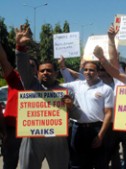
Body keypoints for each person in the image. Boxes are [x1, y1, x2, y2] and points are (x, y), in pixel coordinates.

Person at [15, 25, 81, 169]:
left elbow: (78, 116)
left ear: (56, 73)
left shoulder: (66, 92)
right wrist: (20, 47)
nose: (45, 73)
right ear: (37, 74)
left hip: (57, 140)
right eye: (42, 70)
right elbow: (23, 68)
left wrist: (71, 106)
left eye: (49, 70)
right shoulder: (32, 86)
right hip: (32, 139)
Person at [62, 61, 114, 169]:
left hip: (97, 129)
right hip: (78, 130)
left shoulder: (106, 89)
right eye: (85, 70)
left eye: (91, 70)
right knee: (77, 163)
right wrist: (62, 67)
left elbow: (108, 113)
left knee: (100, 163)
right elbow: (57, 87)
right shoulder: (77, 85)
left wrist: (100, 136)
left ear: (98, 72)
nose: (88, 72)